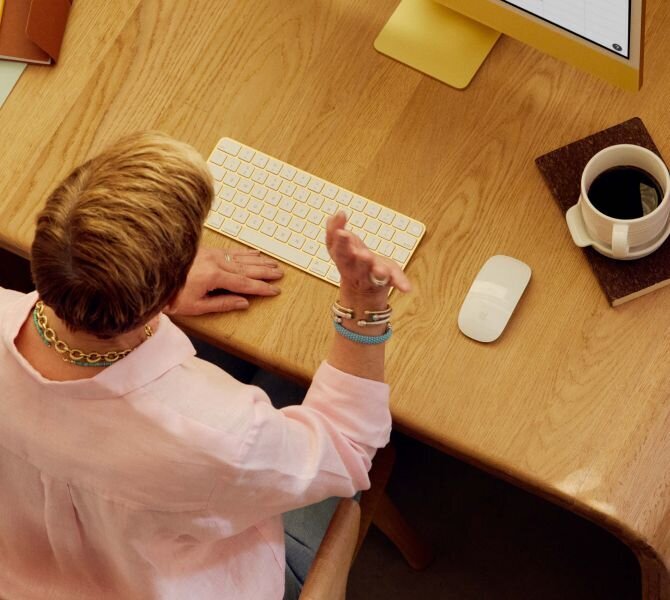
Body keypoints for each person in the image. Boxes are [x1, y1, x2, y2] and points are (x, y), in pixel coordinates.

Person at [0, 131, 411, 599]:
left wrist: (147, 293)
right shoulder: (220, 435)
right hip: (190, 578)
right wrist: (363, 304)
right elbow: (347, 445)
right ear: (172, 290)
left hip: (29, 572)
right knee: (288, 368)